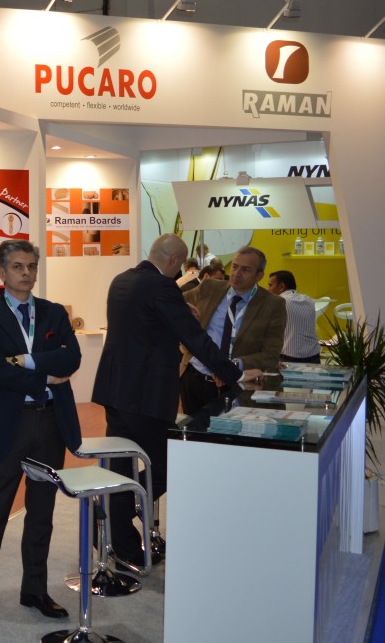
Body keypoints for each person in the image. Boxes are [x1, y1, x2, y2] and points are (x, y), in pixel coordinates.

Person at [92, 234, 260, 568]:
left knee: (121, 464)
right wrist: (235, 374)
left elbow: (146, 327)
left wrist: (177, 312)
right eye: (180, 265)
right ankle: (117, 517)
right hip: (147, 395)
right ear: (172, 261)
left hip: (116, 390)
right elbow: (195, 339)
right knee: (167, 465)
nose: (180, 271)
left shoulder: (122, 280)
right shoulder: (161, 287)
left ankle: (121, 542)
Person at [0, 240, 81, 627]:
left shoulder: (53, 312)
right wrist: (44, 376)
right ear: (2, 271)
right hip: (7, 425)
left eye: (31, 266)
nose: (26, 273)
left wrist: (26, 361)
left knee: (42, 513)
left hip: (50, 424)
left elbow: (72, 358)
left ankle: (35, 590)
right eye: (17, 266)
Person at [180, 246, 286, 415]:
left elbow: (271, 355)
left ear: (259, 275)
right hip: (196, 379)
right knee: (193, 430)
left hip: (237, 385)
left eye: (245, 270)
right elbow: (173, 300)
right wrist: (184, 306)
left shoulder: (273, 304)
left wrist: (232, 365)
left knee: (230, 431)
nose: (236, 274)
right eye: (235, 267)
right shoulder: (210, 287)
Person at [266, 270, 322, 363]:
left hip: (288, 358)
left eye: (270, 285)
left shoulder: (278, 302)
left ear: (281, 287)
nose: (268, 289)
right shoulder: (309, 300)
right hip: (314, 357)